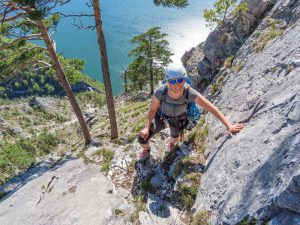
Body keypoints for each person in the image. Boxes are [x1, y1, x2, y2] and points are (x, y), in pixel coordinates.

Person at [137, 63, 244, 160]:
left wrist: (229, 126)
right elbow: (152, 110)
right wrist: (146, 127)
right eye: (173, 81)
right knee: (142, 138)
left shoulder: (190, 92)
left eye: (180, 80)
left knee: (175, 136)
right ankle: (147, 150)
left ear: (184, 79)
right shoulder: (160, 91)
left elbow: (211, 108)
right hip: (160, 116)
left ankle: (172, 144)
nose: (177, 84)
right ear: (168, 82)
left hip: (178, 119)